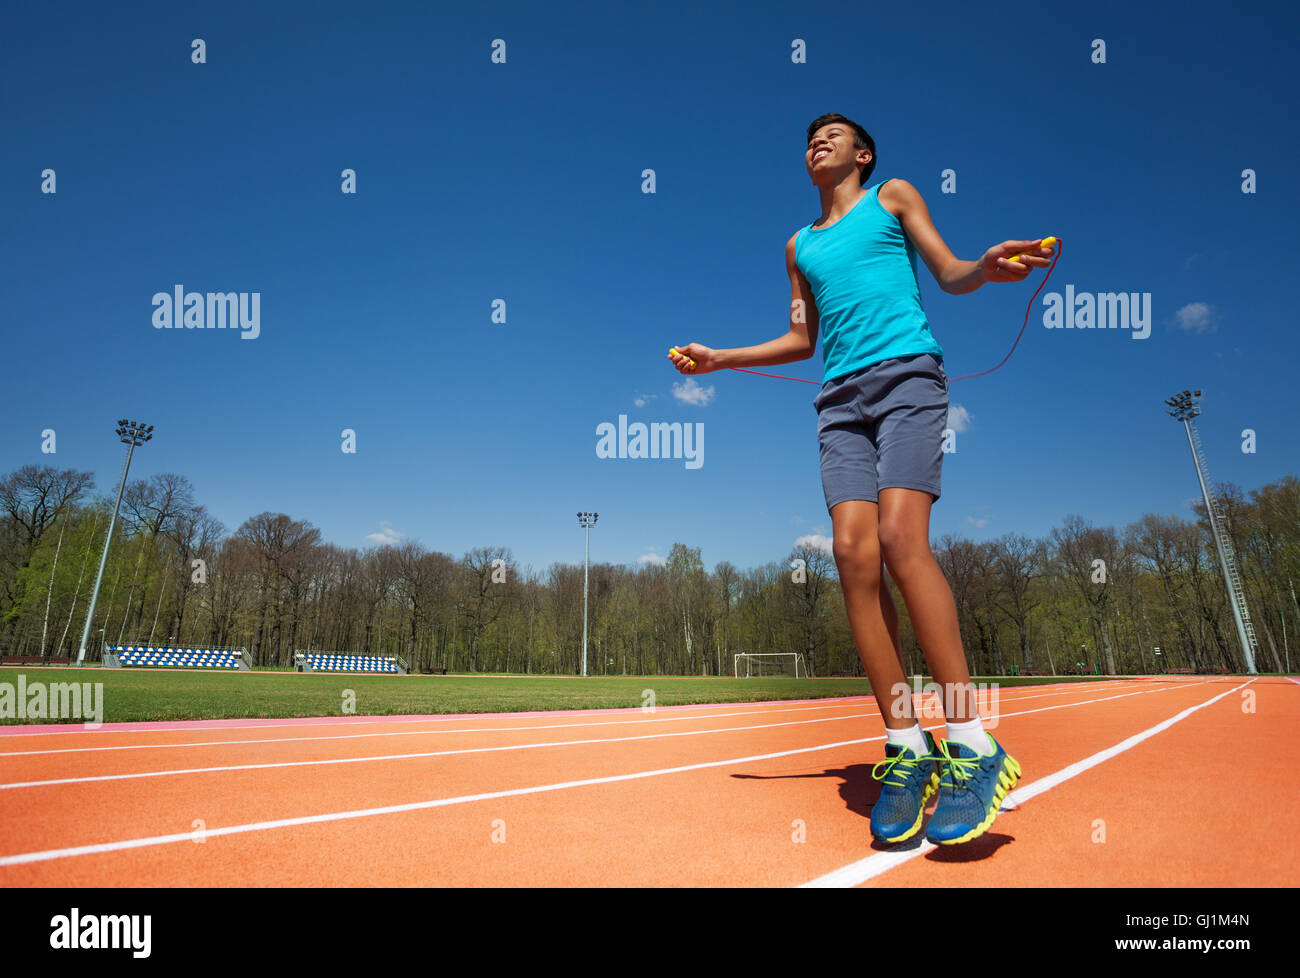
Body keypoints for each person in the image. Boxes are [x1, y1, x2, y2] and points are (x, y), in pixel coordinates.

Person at [670, 113, 1052, 846]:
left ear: (863, 153)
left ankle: (973, 739)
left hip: (908, 378)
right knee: (852, 555)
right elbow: (803, 337)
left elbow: (949, 273)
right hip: (838, 400)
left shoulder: (894, 197)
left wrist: (986, 264)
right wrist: (722, 358)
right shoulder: (799, 245)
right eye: (810, 137)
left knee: (902, 539)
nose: (817, 141)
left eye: (834, 134)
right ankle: (908, 748)